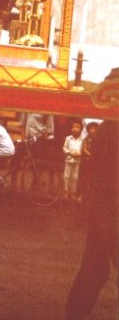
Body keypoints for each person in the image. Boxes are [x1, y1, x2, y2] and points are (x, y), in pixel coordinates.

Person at [65, 74, 118, 319]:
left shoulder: (107, 127)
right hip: (109, 204)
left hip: (105, 204)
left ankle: (74, 314)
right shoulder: (110, 129)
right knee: (96, 268)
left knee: (95, 268)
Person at [62, 118, 84, 201]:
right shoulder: (68, 138)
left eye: (78, 127)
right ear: (71, 128)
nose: (75, 129)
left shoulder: (82, 140)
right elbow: (64, 148)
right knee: (66, 176)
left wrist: (80, 154)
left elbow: (82, 150)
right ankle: (66, 191)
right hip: (69, 159)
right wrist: (69, 152)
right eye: (73, 127)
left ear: (81, 129)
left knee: (75, 177)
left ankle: (73, 192)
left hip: (77, 160)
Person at [77, 121, 99, 199]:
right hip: (86, 161)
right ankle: (81, 194)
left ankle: (92, 194)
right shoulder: (86, 139)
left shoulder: (98, 140)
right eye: (91, 129)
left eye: (94, 129)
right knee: (84, 177)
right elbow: (84, 149)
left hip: (95, 162)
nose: (92, 130)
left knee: (93, 177)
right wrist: (90, 155)